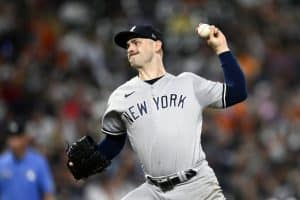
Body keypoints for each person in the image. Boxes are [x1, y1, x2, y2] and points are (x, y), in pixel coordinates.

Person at [66, 23, 247, 200]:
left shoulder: (188, 84)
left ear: (157, 45)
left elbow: (237, 91)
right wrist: (92, 158)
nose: (130, 48)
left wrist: (221, 48)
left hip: (197, 187)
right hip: (154, 191)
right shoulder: (120, 97)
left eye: (136, 42)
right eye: (128, 45)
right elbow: (114, 142)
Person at [0, 118, 55, 200]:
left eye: (17, 136)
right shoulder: (2, 162)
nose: (14, 141)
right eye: (11, 137)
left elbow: (47, 193)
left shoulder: (38, 162)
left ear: (25, 138)